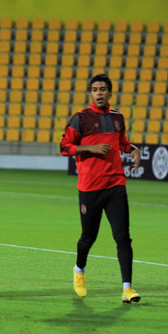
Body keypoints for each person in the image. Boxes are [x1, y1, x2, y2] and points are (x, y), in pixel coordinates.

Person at [60, 73, 142, 303]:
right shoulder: (80, 118)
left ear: (110, 93)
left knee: (123, 237)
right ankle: (79, 270)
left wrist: (132, 148)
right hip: (90, 187)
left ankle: (127, 288)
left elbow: (121, 142)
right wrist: (90, 148)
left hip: (116, 184)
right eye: (95, 89)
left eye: (103, 89)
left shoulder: (118, 118)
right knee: (88, 237)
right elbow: (64, 147)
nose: (99, 93)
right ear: (90, 93)